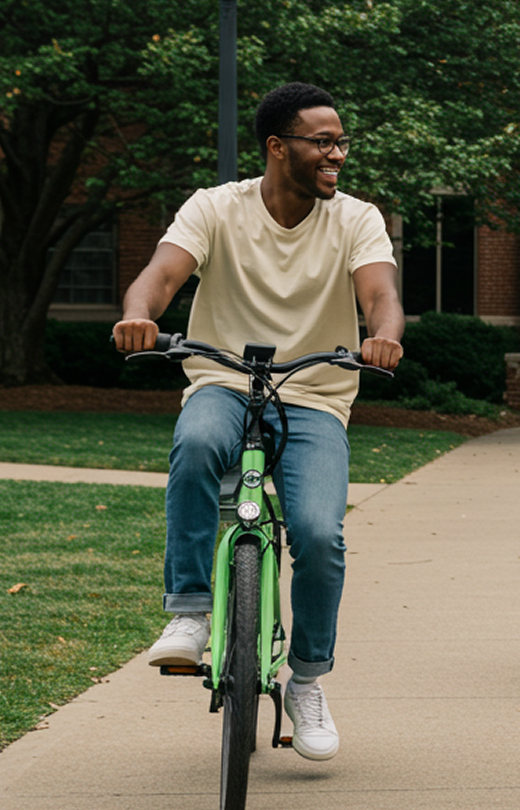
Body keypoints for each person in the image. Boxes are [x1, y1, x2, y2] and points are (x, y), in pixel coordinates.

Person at [113, 82, 403, 763]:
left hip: (315, 393)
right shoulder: (216, 208)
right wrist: (140, 315)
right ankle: (189, 612)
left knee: (317, 534)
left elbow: (381, 293)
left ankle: (306, 681)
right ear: (278, 148)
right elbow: (160, 273)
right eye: (322, 142)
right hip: (222, 379)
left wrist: (384, 334)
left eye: (341, 142)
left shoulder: (356, 218)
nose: (337, 154)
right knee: (195, 446)